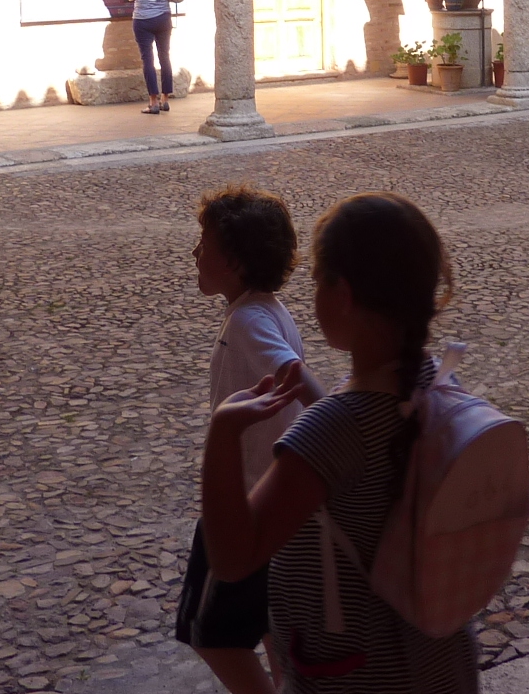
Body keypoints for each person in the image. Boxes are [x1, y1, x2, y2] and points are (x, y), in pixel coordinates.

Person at [201, 193, 478, 694]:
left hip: (363, 678)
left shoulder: (332, 433)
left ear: (342, 294)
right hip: (443, 667)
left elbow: (232, 557)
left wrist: (222, 433)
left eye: (316, 280)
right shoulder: (443, 390)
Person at [178, 187, 325, 694]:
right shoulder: (265, 309)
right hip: (271, 506)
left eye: (204, 242)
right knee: (270, 625)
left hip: (247, 508)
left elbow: (298, 377)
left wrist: (335, 427)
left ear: (236, 261)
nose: (195, 252)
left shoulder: (248, 321)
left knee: (211, 633)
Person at [124, 0, 176, 114]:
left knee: (148, 60)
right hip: (163, 17)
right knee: (165, 57)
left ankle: (153, 102)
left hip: (142, 19)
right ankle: (165, 98)